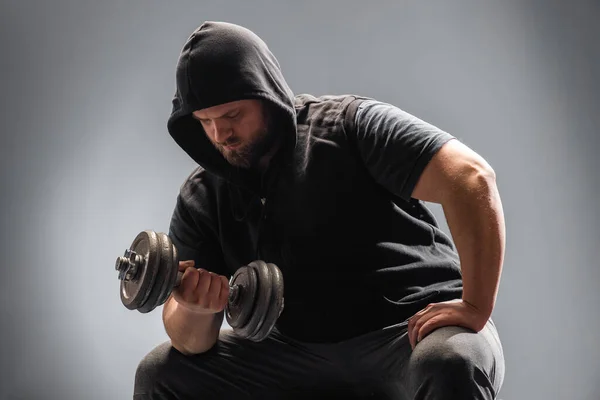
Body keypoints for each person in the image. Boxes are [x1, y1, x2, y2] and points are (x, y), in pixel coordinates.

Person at [133, 21, 506, 399]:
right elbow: (189, 341)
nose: (220, 135)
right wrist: (196, 309)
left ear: (267, 95)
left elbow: (471, 177)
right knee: (162, 374)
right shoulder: (202, 195)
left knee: (449, 360)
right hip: (295, 353)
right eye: (205, 122)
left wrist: (475, 305)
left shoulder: (349, 126)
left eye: (232, 115)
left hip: (406, 332)